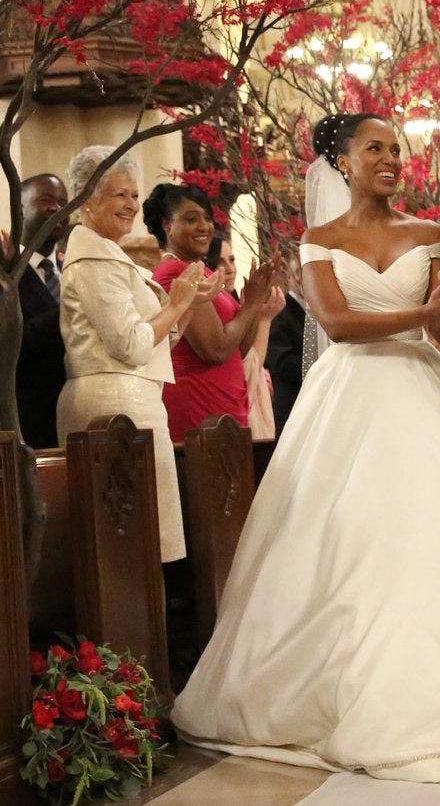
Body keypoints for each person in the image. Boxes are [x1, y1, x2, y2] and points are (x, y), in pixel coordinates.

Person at [170, 113, 440, 781]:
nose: (391, 158)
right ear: (343, 162)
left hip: (423, 390)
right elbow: (337, 323)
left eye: (396, 148)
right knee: (351, 536)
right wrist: (424, 315)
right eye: (375, 148)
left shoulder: (428, 234)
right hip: (351, 394)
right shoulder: (319, 239)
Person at [56, 146, 219, 562]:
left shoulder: (110, 255)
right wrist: (177, 304)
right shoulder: (93, 260)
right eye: (119, 195)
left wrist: (190, 303)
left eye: (133, 194)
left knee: (146, 542)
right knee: (130, 546)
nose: (131, 205)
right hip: (114, 407)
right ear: (86, 198)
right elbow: (131, 345)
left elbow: (157, 343)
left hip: (133, 400)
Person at [143, 185, 279, 441]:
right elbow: (215, 350)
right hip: (197, 403)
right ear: (166, 225)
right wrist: (250, 305)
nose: (204, 227)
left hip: (224, 402)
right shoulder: (176, 273)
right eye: (191, 219)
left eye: (207, 218)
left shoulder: (203, 272)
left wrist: (255, 302)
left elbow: (238, 350)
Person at [204, 235, 284, 439]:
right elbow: (247, 363)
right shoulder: (211, 307)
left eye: (232, 260)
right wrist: (263, 317)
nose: (230, 269)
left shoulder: (234, 302)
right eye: (220, 262)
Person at [16, 174, 69, 449]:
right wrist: (69, 309)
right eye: (46, 199)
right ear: (20, 208)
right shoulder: (6, 273)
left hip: (76, 416)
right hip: (29, 423)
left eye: (64, 203)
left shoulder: (72, 272)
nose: (57, 208)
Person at [265, 249, 307, 429]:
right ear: (290, 277)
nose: (302, 278)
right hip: (292, 409)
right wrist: (322, 363)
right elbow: (282, 364)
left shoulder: (317, 310)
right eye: (298, 272)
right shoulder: (280, 311)